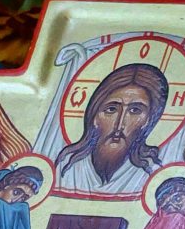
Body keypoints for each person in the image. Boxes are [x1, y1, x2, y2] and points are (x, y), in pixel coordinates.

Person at [58, 63, 169, 192]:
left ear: (147, 121)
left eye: (135, 111)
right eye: (111, 109)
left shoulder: (152, 173)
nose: (120, 124)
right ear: (95, 116)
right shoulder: (68, 168)